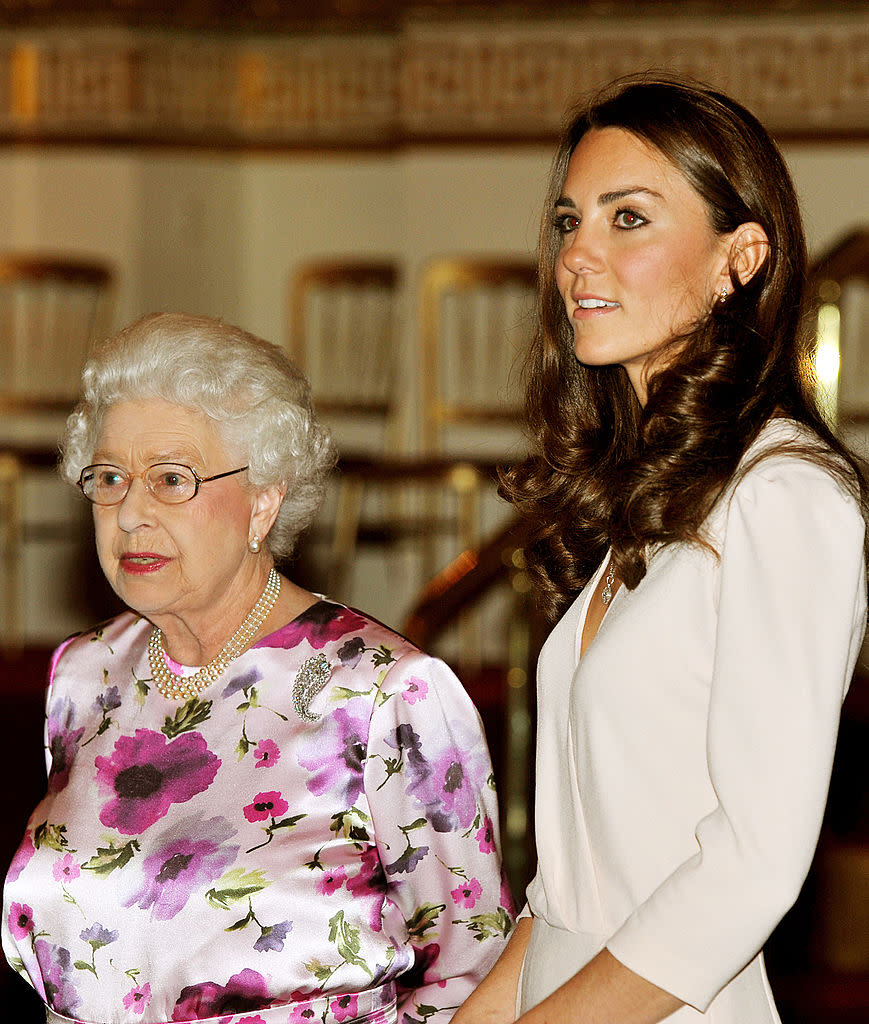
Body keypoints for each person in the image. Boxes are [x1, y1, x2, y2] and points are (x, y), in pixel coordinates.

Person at [453, 75, 868, 1024]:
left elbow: (752, 861)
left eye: (628, 219)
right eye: (569, 222)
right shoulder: (647, 494)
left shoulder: (787, 495)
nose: (576, 259)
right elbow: (575, 889)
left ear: (741, 259)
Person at [2, 312, 513, 1024]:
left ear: (263, 501)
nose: (130, 514)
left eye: (171, 480)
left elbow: (473, 969)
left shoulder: (384, 691)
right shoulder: (84, 675)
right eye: (110, 478)